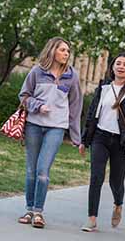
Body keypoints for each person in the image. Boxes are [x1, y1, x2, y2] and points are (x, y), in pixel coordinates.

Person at [17, 37, 83, 228]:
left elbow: (75, 107)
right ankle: (29, 210)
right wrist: (38, 106)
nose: (66, 54)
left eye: (68, 51)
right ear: (53, 50)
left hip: (56, 127)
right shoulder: (37, 72)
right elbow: (23, 96)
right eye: (63, 50)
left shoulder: (72, 76)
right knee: (31, 170)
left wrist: (76, 137)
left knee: (43, 171)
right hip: (34, 125)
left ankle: (38, 212)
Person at [79, 52, 125, 232]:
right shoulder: (104, 87)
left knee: (116, 181)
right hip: (100, 137)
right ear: (112, 66)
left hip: (121, 141)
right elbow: (92, 113)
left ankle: (118, 204)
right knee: (96, 177)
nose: (121, 66)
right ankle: (91, 218)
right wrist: (85, 140)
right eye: (118, 63)